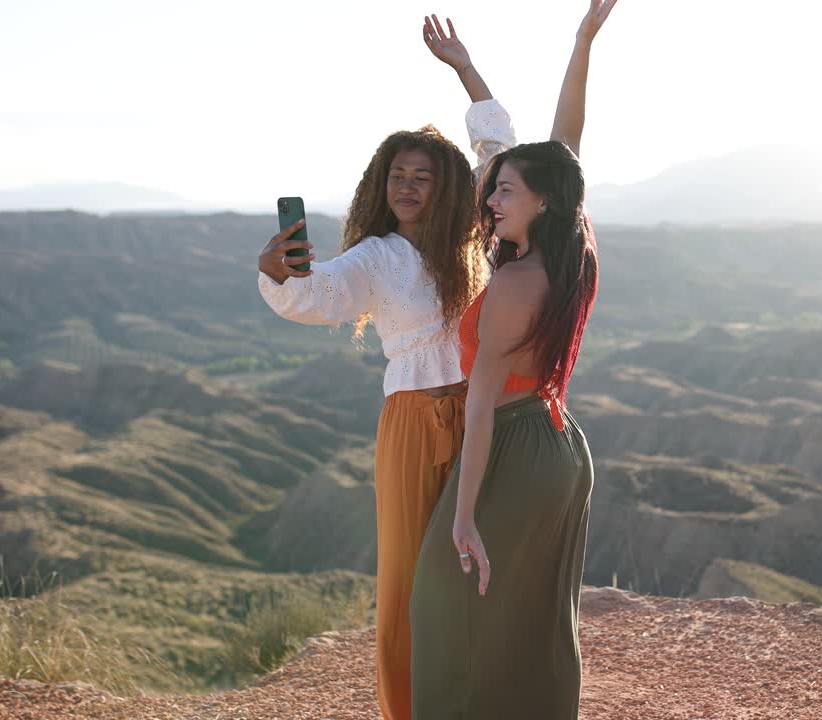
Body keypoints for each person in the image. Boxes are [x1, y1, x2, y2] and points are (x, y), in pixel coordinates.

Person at [255, 16, 515, 720]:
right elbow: (318, 296)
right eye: (396, 175)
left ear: (447, 188)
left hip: (480, 415)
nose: (406, 186)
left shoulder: (473, 239)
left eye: (421, 177)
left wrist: (465, 68)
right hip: (412, 423)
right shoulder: (375, 257)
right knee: (405, 578)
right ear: (381, 183)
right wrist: (276, 273)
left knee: (478, 567)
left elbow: (500, 150)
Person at [409, 1, 617, 717]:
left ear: (538, 203)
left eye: (503, 189)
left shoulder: (511, 285)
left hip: (514, 446)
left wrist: (463, 518)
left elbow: (479, 413)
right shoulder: (564, 248)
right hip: (559, 444)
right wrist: (582, 40)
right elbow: (566, 145)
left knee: (443, 594)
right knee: (532, 616)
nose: (489, 195)